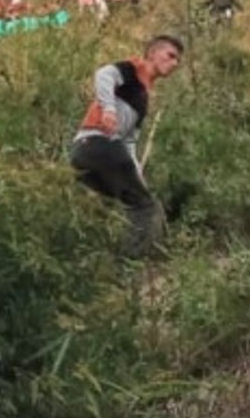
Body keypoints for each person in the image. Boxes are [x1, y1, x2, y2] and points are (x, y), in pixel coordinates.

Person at [70, 35, 184, 258]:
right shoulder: (134, 69)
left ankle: (90, 258)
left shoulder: (143, 95)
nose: (174, 63)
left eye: (177, 60)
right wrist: (108, 109)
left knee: (106, 205)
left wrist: (136, 174)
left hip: (86, 150)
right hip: (99, 142)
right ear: (152, 53)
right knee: (144, 206)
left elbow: (129, 140)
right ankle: (131, 263)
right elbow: (104, 74)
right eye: (170, 56)